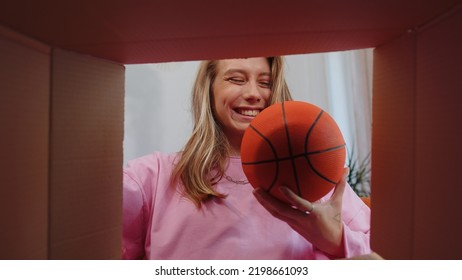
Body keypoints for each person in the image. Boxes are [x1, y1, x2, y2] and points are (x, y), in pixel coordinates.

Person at [122, 57, 371, 259]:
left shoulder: (315, 176)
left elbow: (384, 256)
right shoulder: (150, 178)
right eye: (236, 79)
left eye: (265, 82)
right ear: (208, 89)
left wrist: (337, 241)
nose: (253, 93)